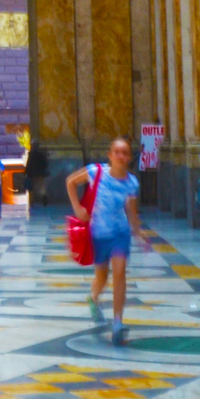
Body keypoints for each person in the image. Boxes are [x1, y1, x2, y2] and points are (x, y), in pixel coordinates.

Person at [67, 136, 149, 345]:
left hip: (120, 234)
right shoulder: (97, 173)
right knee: (102, 278)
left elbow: (131, 210)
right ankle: (93, 297)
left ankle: (118, 322)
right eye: (117, 152)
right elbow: (71, 182)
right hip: (97, 234)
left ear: (130, 157)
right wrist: (78, 208)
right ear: (110, 155)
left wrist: (138, 231)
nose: (121, 156)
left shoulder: (132, 182)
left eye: (126, 153)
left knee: (120, 272)